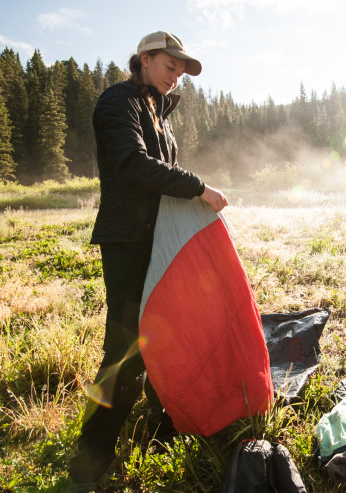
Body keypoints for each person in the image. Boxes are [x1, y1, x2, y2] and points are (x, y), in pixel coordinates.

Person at [68, 31, 227, 491]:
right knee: (126, 350)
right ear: (144, 59)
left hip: (155, 239)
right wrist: (198, 187)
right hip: (127, 240)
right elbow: (131, 164)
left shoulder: (158, 109)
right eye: (169, 67)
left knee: (164, 335)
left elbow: (158, 175)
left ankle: (162, 432)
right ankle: (90, 459)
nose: (176, 78)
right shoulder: (118, 102)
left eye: (181, 73)